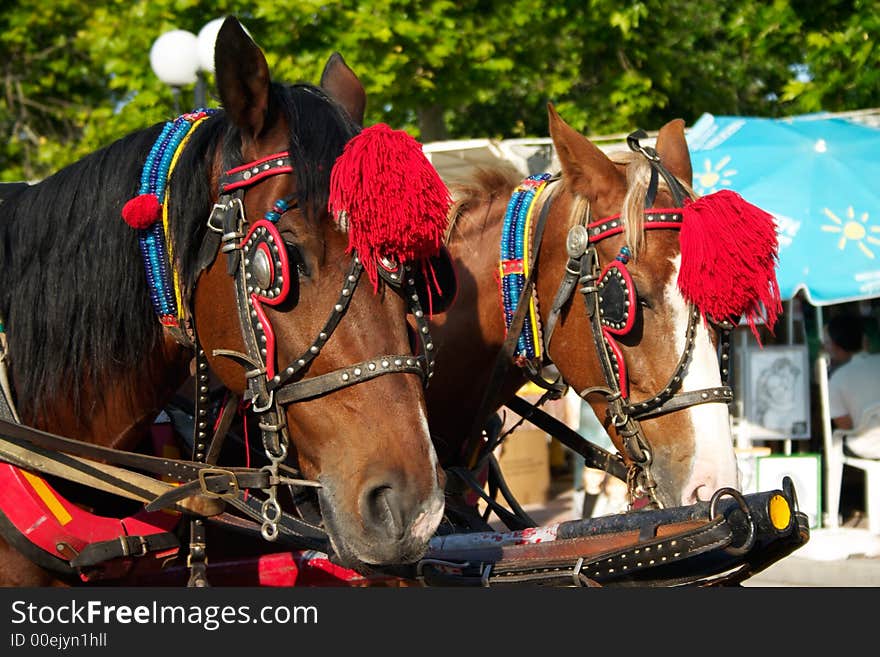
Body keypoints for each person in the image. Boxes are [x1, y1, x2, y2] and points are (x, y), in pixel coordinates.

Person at [824, 313, 880, 458]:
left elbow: (845, 425)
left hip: (867, 448)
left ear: (835, 347)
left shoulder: (837, 379)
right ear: (864, 340)